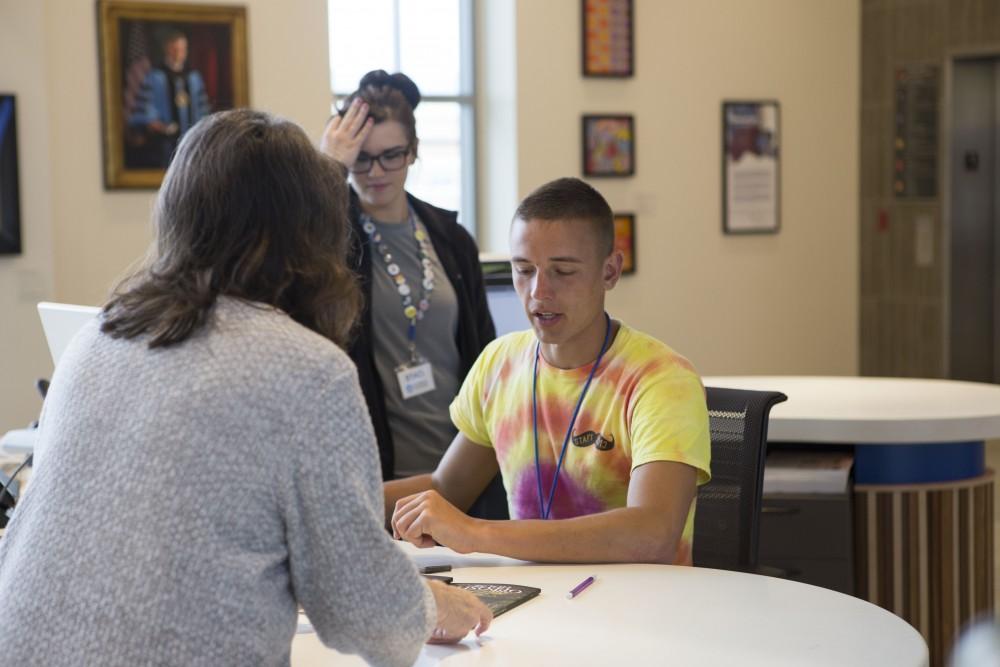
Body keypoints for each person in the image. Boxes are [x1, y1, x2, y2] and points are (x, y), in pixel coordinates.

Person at [0, 109, 490, 666]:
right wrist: (431, 609)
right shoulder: (306, 369)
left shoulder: (100, 333)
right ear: (311, 232)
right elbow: (362, 611)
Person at [385, 177, 712, 565]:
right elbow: (445, 488)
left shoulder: (661, 379)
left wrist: (476, 532)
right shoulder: (499, 363)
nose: (539, 292)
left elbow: (651, 534)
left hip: (639, 612)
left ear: (609, 271)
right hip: (536, 602)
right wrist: (326, 500)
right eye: (524, 270)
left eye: (563, 271)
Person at [320, 70, 505, 517]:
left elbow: (486, 354)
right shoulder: (331, 238)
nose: (376, 172)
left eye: (391, 156)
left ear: (414, 151)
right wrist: (328, 169)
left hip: (463, 469)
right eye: (361, 159)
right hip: (380, 470)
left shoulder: (449, 237)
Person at [126, 29, 211, 168]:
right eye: (175, 49)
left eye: (182, 49)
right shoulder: (155, 77)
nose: (179, 53)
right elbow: (146, 111)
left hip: (192, 145)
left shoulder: (194, 78)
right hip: (162, 146)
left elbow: (203, 111)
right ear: (167, 49)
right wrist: (158, 125)